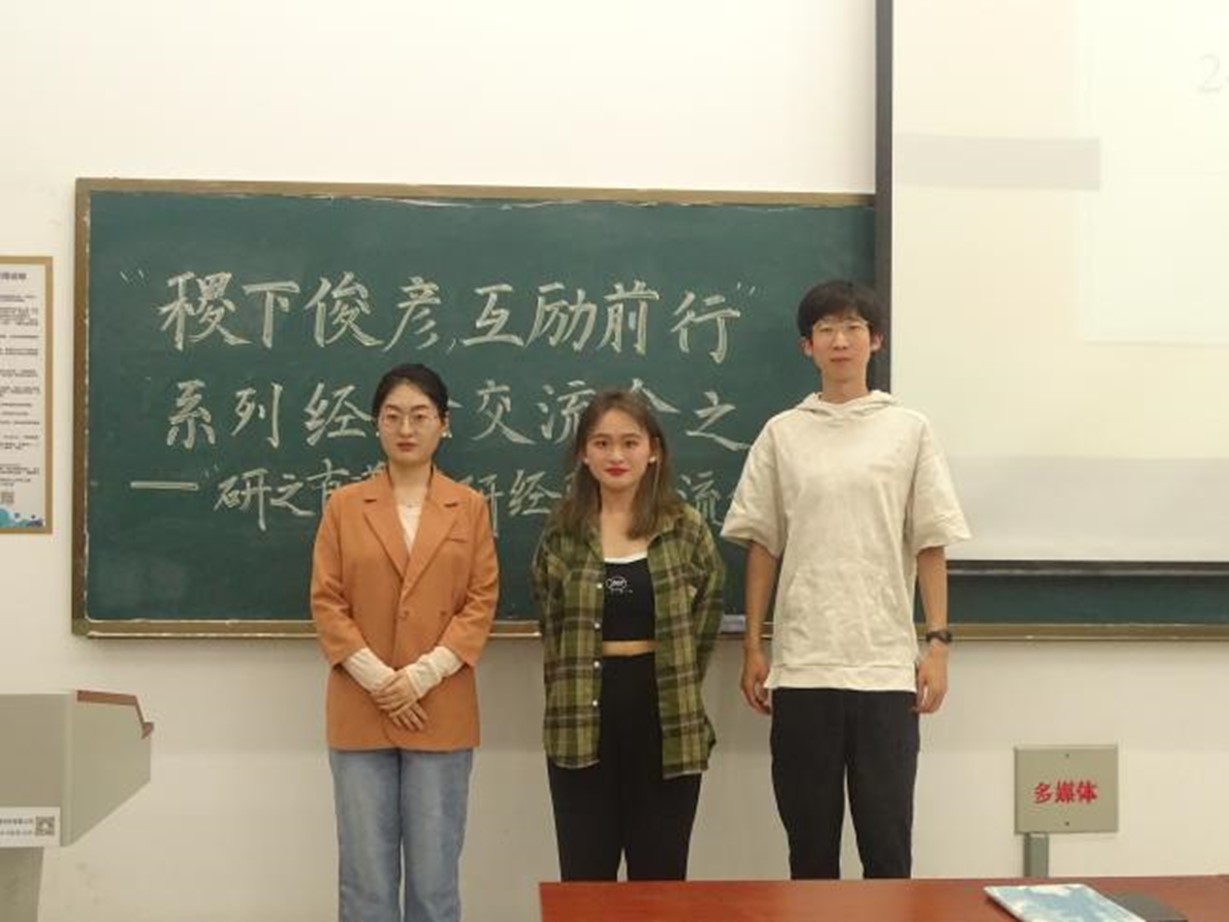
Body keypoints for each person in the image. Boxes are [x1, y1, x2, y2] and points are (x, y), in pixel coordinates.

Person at [721, 280, 969, 881]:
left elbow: (930, 541)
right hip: (803, 669)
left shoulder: (908, 429)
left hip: (884, 669)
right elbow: (763, 544)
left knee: (888, 850)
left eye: (853, 327)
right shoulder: (783, 433)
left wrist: (937, 644)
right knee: (810, 853)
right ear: (807, 346)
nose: (840, 340)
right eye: (826, 329)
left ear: (874, 340)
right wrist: (754, 646)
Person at [311, 362, 498, 922]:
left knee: (435, 884)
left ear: (444, 423)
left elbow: (480, 602)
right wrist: (380, 680)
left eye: (420, 415)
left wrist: (420, 676)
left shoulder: (469, 506)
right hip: (361, 707)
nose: (406, 428)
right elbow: (327, 601)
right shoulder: (344, 505)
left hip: (440, 706)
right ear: (376, 424)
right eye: (392, 416)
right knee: (365, 882)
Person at [532, 389, 725, 882]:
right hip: (580, 720)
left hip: (667, 721)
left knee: (660, 878)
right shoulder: (562, 533)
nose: (616, 455)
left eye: (630, 442)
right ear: (583, 453)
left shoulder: (685, 529)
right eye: (601, 443)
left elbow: (706, 619)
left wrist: (678, 675)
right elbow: (551, 625)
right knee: (585, 879)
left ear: (653, 450)